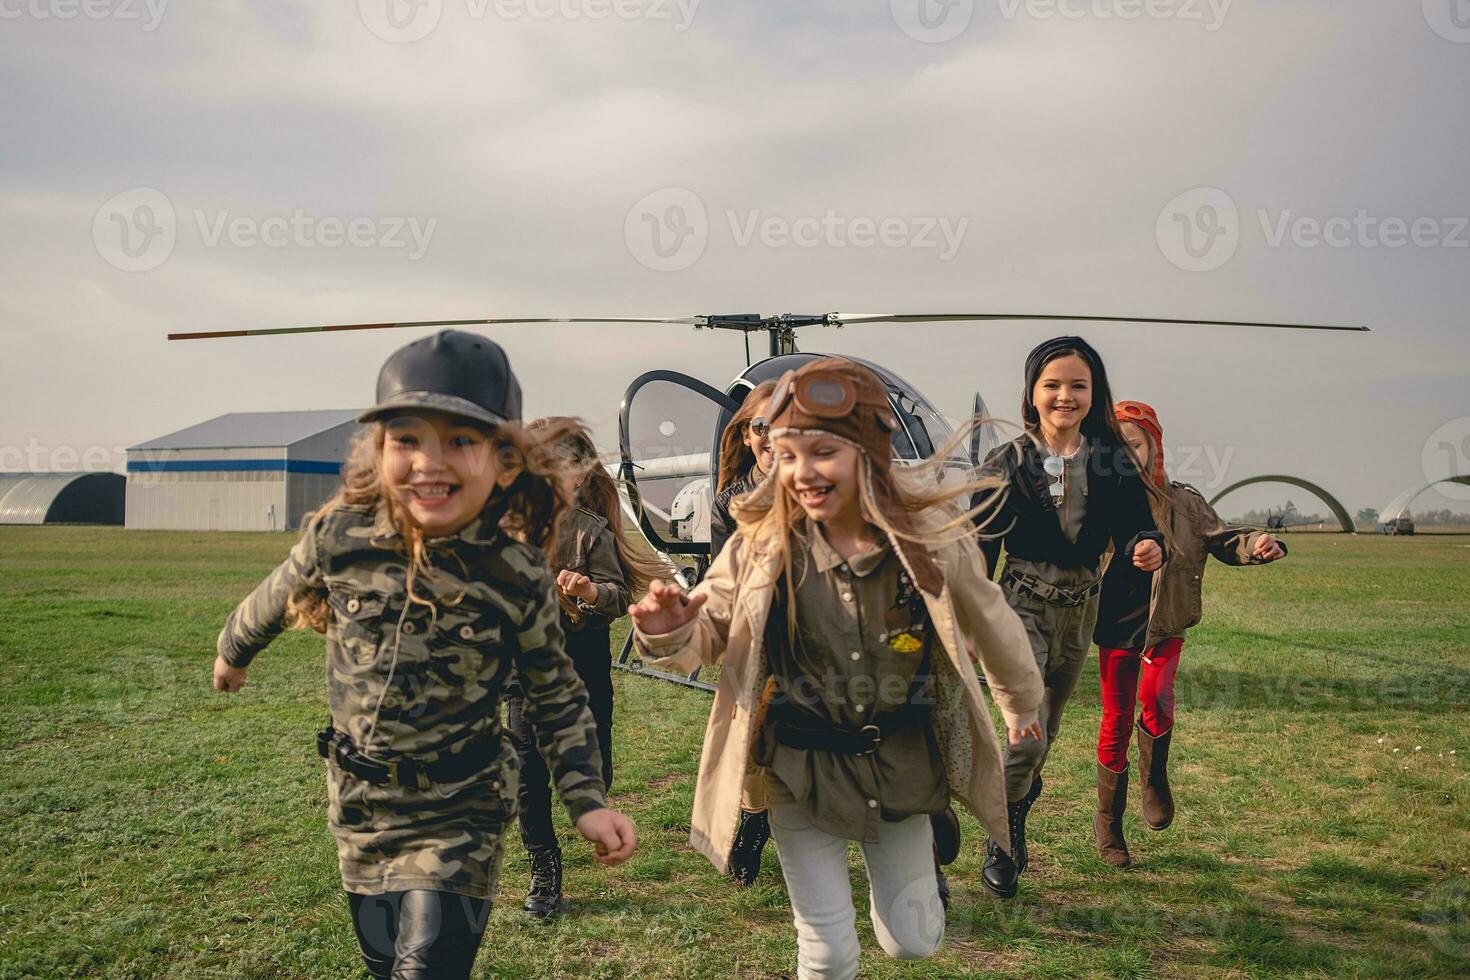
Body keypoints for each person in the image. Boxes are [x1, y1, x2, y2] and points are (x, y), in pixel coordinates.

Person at [211, 331, 636, 979]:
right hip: (359, 806)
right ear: (378, 452)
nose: (430, 463)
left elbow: (557, 692)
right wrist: (233, 654)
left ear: (506, 463)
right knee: (384, 964)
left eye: (460, 441)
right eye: (407, 440)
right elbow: (272, 598)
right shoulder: (340, 538)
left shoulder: (515, 572)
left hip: (461, 809)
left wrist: (587, 797)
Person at [630, 358, 1043, 980]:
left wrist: (1020, 703)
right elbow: (710, 625)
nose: (800, 471)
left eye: (822, 452)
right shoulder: (758, 543)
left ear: (868, 452)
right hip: (799, 765)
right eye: (788, 454)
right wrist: (668, 630)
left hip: (900, 760)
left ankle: (930, 841)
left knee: (911, 942)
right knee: (823, 948)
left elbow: (994, 621)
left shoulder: (927, 540)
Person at [971, 336, 1170, 898]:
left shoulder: (1112, 459)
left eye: (1078, 385)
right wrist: (967, 619)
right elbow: (979, 547)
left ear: (1094, 393)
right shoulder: (1006, 462)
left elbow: (1138, 524)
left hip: (1082, 610)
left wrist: (1147, 545)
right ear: (1032, 394)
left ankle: (1013, 813)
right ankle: (1003, 840)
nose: (1065, 396)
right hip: (1019, 606)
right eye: (1052, 385)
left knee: (1046, 732)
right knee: (1026, 730)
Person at [1092, 400, 1286, 866]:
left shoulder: (1185, 502)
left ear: (1154, 446)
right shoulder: (1095, 498)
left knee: (1156, 699)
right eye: (1117, 446)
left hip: (1165, 625)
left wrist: (1258, 543)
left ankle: (1154, 775)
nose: (1127, 454)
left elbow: (1225, 539)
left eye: (1135, 444)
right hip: (1113, 626)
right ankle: (1108, 822)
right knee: (1116, 719)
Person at [507, 418, 664, 916]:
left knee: (596, 767)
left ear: (579, 475)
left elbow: (618, 596)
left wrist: (588, 591)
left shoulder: (591, 530)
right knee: (527, 772)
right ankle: (544, 867)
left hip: (584, 662)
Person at [709, 380, 777, 885]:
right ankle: (756, 819)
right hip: (756, 635)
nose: (774, 436)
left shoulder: (827, 485)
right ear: (747, 436)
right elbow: (718, 577)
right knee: (751, 741)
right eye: (762, 426)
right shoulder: (730, 500)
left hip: (820, 635)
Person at [711, 379, 777, 561]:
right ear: (747, 435)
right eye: (762, 426)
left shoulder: (817, 494)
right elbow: (723, 582)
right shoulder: (726, 506)